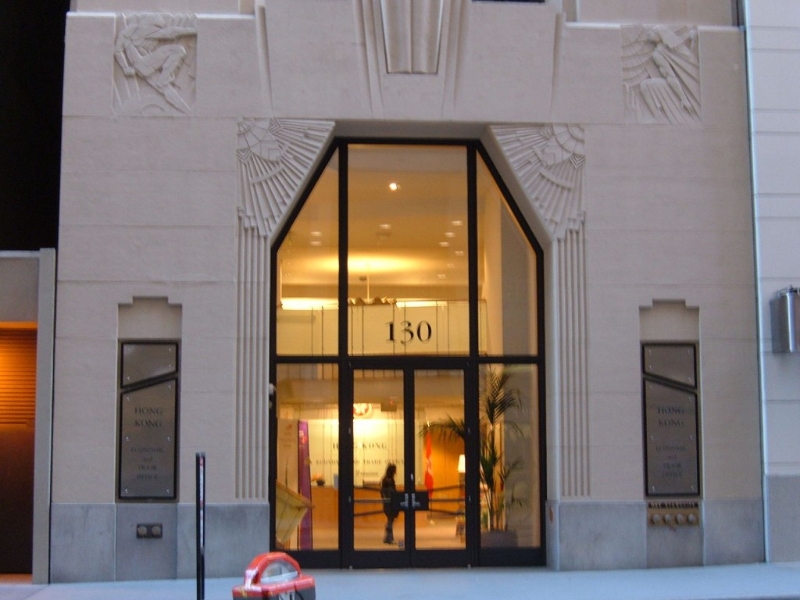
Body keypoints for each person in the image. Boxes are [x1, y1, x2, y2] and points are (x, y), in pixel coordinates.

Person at [380, 463, 398, 544]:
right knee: (390, 520)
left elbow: (382, 491)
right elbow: (392, 492)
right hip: (390, 503)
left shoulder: (384, 479)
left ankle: (388, 537)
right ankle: (389, 538)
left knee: (390, 520)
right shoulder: (390, 480)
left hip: (386, 502)